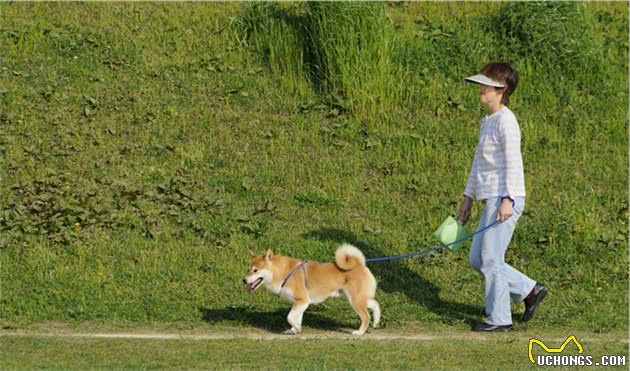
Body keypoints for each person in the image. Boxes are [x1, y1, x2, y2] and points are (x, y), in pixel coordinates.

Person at [457, 63, 548, 332]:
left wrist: (508, 199)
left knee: (491, 259)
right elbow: (477, 164)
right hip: (491, 198)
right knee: (478, 259)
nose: (481, 88)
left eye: (486, 84)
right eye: (481, 83)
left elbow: (513, 163)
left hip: (505, 198)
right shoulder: (488, 121)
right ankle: (530, 290)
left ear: (501, 89)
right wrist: (467, 199)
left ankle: (499, 319)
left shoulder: (507, 121)